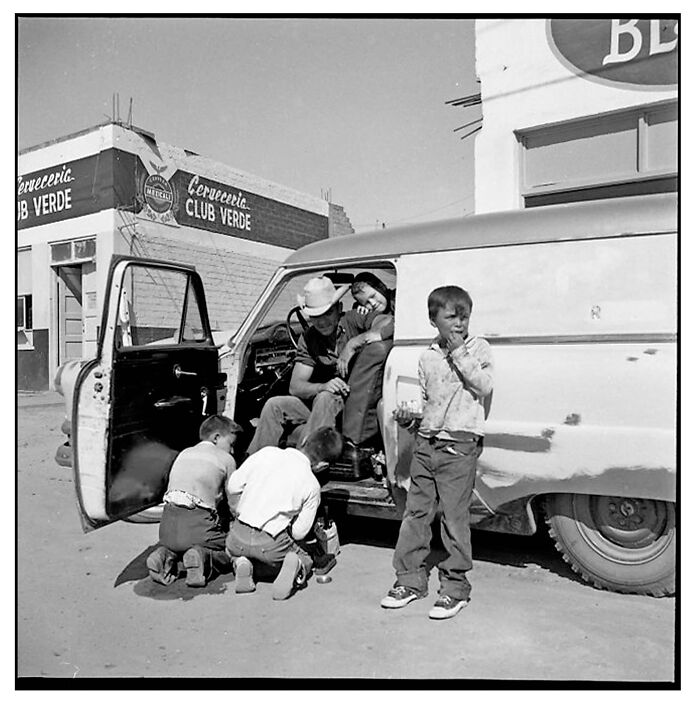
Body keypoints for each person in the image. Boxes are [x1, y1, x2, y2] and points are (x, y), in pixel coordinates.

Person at [380, 285, 494, 620]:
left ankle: (455, 588)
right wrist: (411, 419)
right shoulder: (428, 356)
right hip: (427, 443)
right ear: (434, 320)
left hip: (458, 445)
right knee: (416, 514)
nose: (460, 324)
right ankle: (409, 580)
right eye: (451, 317)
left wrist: (459, 352)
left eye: (465, 317)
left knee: (454, 519)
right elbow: (429, 402)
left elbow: (484, 386)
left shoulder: (478, 348)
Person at [246, 274, 394, 456]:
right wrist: (324, 386)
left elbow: (387, 322)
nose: (322, 322)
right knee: (274, 404)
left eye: (328, 313)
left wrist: (353, 343)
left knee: (325, 397)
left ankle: (307, 460)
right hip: (320, 402)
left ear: (339, 308)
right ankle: (254, 463)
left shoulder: (353, 319)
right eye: (315, 316)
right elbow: (296, 386)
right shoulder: (308, 338)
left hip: (349, 402)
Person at [225, 426, 344, 599]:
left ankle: (241, 562)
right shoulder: (311, 484)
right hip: (271, 545)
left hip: (238, 535)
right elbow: (299, 532)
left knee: (235, 551)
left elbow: (233, 485)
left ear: (303, 441)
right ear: (323, 466)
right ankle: (297, 567)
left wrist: (240, 509)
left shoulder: (266, 453)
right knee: (304, 557)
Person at [146, 415, 241, 587]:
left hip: (167, 528)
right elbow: (233, 503)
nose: (233, 451)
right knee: (232, 548)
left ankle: (165, 554)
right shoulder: (227, 460)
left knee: (181, 542)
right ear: (216, 438)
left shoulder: (184, 453)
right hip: (198, 526)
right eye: (231, 444)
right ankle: (204, 558)